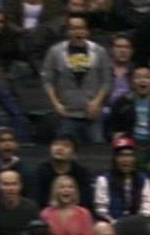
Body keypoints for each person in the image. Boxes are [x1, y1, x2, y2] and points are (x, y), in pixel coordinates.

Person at [40, 12, 112, 144]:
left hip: (92, 113)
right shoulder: (55, 51)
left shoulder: (99, 51)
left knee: (97, 148)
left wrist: (97, 101)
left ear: (87, 31)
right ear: (67, 31)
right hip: (66, 113)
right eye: (73, 28)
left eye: (81, 28)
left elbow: (106, 80)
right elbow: (47, 80)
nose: (77, 32)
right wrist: (56, 104)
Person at [94, 135, 150, 219]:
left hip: (137, 222)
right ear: (115, 158)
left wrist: (140, 219)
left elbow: (149, 205)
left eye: (129, 155)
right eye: (121, 155)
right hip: (112, 222)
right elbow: (101, 209)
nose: (125, 160)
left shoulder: (143, 179)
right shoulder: (104, 180)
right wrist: (112, 221)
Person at [108, 66, 150, 148]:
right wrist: (116, 135)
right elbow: (113, 127)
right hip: (129, 144)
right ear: (131, 82)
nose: (142, 80)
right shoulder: (122, 103)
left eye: (147, 77)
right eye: (138, 77)